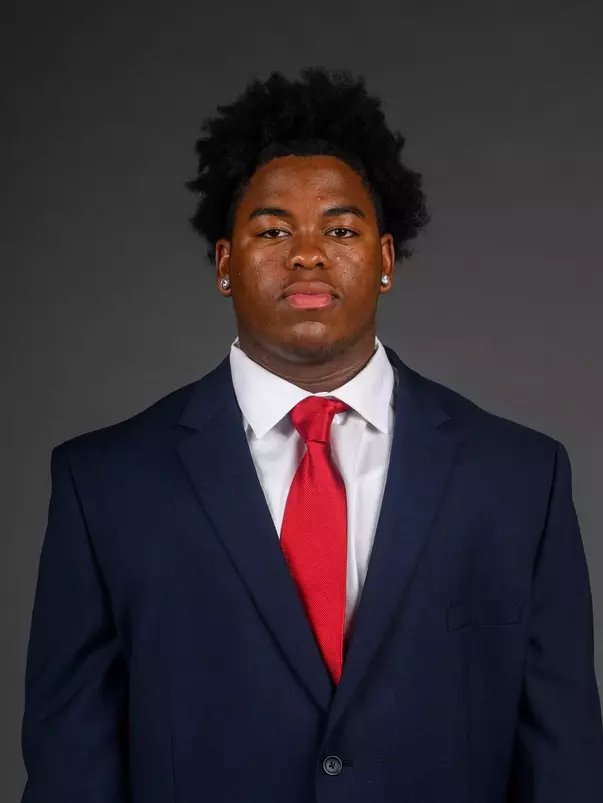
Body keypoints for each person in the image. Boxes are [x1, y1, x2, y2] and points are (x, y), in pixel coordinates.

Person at [21, 67, 603, 803]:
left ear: (384, 261)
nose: (306, 252)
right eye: (271, 229)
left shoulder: (520, 478)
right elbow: (72, 768)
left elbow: (563, 763)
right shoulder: (103, 485)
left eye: (339, 228)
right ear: (225, 264)